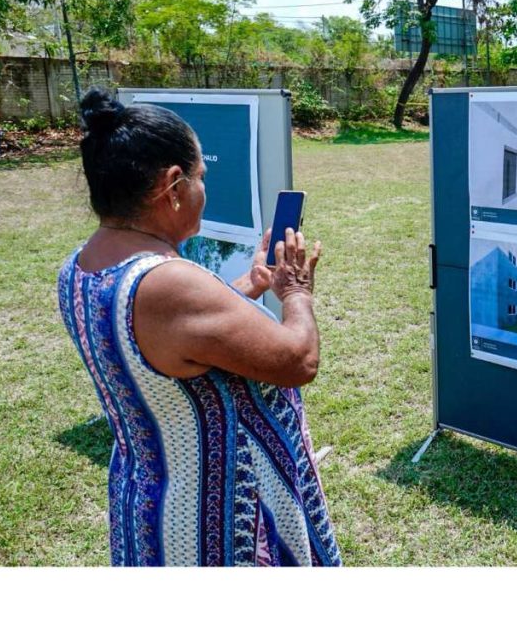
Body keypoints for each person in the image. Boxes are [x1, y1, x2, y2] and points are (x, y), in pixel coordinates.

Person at [57, 87, 341, 566]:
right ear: (173, 187)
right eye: (200, 178)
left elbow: (173, 340)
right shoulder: (169, 284)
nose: (203, 191)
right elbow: (298, 360)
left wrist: (250, 285)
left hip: (151, 500)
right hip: (216, 524)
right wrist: (295, 294)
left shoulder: (81, 265)